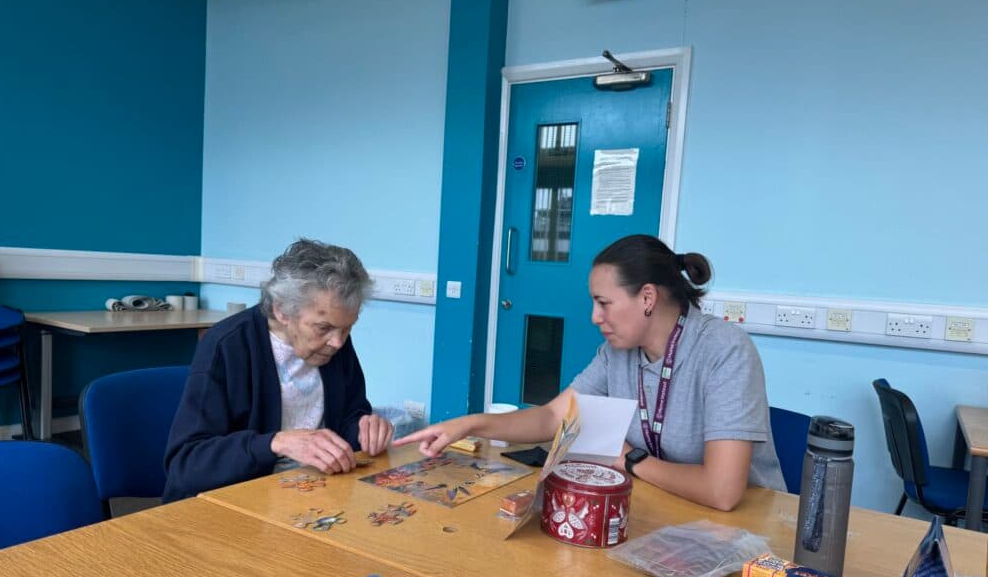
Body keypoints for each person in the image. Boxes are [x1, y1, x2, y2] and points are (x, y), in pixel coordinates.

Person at [395, 234, 785, 511]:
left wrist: (632, 461)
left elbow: (722, 491)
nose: (595, 317)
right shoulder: (616, 352)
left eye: (604, 303)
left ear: (647, 298)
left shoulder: (724, 351)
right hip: (662, 508)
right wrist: (468, 424)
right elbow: (552, 416)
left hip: (741, 531)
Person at [163, 239, 392, 502]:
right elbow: (186, 464)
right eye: (323, 328)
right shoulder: (226, 346)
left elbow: (349, 416)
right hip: (235, 504)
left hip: (310, 495)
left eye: (348, 328)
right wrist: (275, 443)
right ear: (282, 310)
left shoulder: (336, 344)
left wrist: (365, 427)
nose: (338, 342)